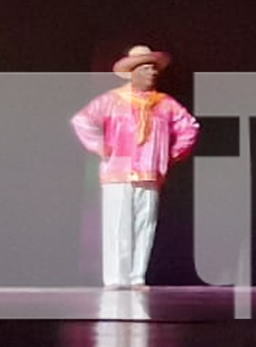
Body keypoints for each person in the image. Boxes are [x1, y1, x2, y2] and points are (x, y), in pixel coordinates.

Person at [72, 45, 200, 289]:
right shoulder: (112, 100)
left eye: (153, 68)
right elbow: (83, 120)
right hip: (118, 170)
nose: (152, 72)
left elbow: (189, 128)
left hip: (149, 171)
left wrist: (170, 154)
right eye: (145, 68)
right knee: (117, 224)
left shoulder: (164, 103)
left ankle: (136, 276)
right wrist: (101, 146)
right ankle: (116, 278)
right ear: (133, 72)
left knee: (144, 224)